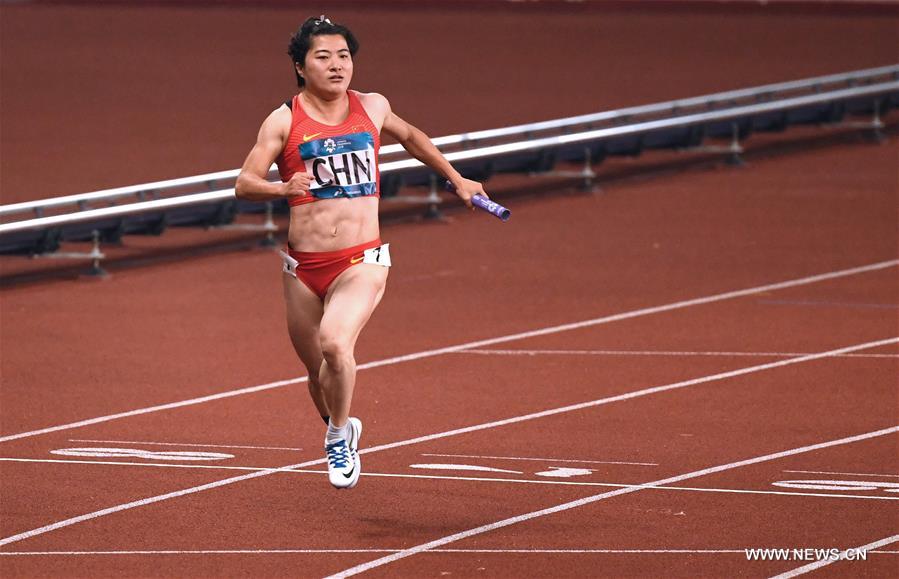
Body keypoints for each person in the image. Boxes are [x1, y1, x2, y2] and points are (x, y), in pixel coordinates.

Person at [235, 15, 487, 490]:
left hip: (361, 260)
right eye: (323, 57)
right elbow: (243, 183)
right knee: (317, 375)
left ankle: (337, 438)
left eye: (344, 56)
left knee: (335, 343)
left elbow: (411, 137)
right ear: (299, 66)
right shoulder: (284, 119)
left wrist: (458, 180)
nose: (336, 66)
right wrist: (282, 187)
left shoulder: (371, 107)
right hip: (302, 268)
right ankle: (342, 421)